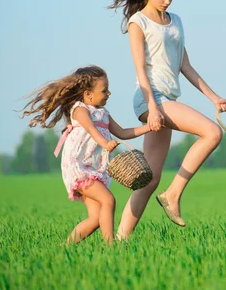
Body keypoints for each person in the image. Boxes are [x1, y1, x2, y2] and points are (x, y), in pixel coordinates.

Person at [108, 0, 226, 238]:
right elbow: (140, 69)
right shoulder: (138, 22)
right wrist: (153, 108)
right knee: (212, 133)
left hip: (166, 100)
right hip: (149, 99)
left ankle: (119, 242)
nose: (167, 0)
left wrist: (214, 98)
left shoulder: (175, 21)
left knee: (149, 179)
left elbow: (185, 65)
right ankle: (173, 194)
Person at [19, 65, 152, 244]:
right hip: (80, 168)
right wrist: (105, 142)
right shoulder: (80, 110)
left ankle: (66, 247)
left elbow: (122, 132)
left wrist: (148, 127)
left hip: (97, 169)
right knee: (108, 200)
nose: (109, 94)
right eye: (104, 90)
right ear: (88, 94)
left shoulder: (104, 113)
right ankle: (110, 247)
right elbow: (90, 129)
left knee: (96, 218)